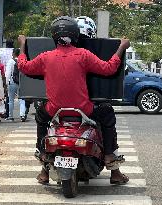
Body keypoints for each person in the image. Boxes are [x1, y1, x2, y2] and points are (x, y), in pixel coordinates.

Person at [17, 16, 130, 185]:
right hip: (84, 109)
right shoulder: (83, 54)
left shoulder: (46, 57)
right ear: (76, 35)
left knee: (41, 119)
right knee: (107, 115)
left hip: (54, 111)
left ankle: (43, 160)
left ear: (54, 36)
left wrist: (22, 45)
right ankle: (109, 159)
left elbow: (23, 66)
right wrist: (121, 47)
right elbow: (109, 68)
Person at [5, 48, 27, 122]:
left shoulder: (10, 61)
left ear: (13, 53)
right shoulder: (22, 61)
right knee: (22, 99)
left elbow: (7, 74)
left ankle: (11, 116)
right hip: (21, 82)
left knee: (11, 100)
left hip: (12, 82)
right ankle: (22, 115)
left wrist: (6, 83)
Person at [0, 39, 15, 118]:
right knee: (9, 96)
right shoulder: (14, 52)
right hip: (13, 76)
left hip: (2, 74)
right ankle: (7, 112)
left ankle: (1, 111)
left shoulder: (1, 51)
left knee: (2, 94)